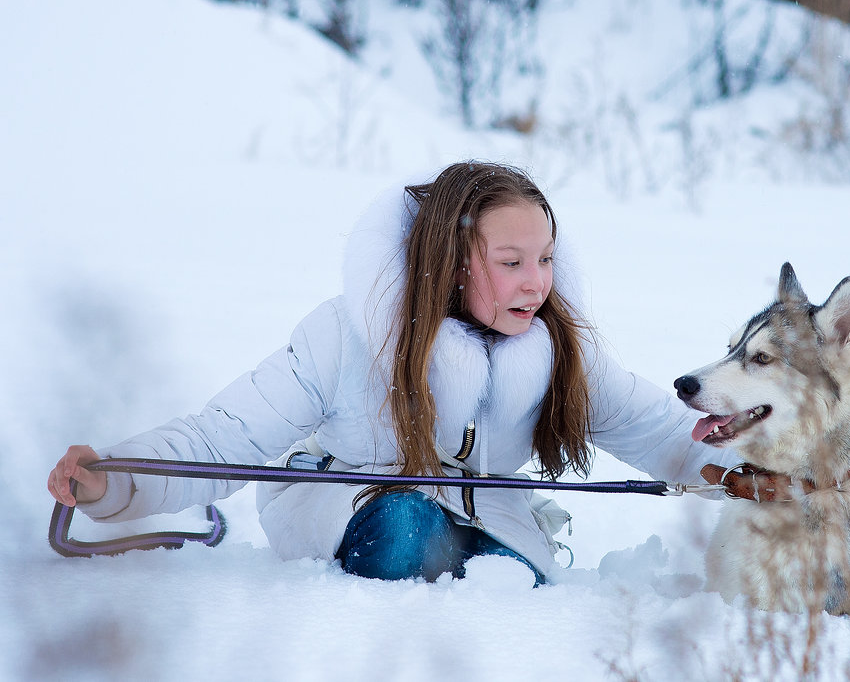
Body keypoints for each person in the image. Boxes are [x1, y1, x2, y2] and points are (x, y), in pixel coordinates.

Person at [47, 161, 738, 584]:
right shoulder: (348, 333)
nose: (537, 282)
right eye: (512, 261)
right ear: (454, 260)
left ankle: (488, 557)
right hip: (345, 507)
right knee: (403, 526)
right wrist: (117, 478)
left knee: (517, 574)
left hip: (489, 520)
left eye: (547, 259)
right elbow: (224, 436)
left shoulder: (556, 350)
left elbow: (662, 430)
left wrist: (751, 466)